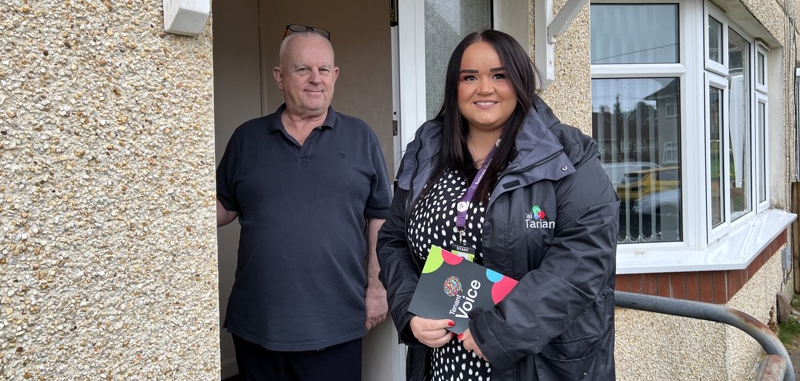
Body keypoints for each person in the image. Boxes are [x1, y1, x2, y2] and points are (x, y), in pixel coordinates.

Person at [377, 29, 619, 381]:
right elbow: (394, 240)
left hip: (534, 364)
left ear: (520, 81)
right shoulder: (427, 150)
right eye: (469, 77)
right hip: (442, 365)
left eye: (499, 75)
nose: (484, 88)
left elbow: (584, 257)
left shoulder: (568, 154)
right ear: (454, 87)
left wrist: (500, 330)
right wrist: (411, 310)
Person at [216, 24, 392, 381]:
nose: (315, 78)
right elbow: (225, 206)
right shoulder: (246, 139)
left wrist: (377, 288)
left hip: (336, 324)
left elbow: (380, 216)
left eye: (323, 69)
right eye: (302, 69)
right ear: (279, 77)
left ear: (335, 75)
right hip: (258, 324)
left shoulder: (361, 137)